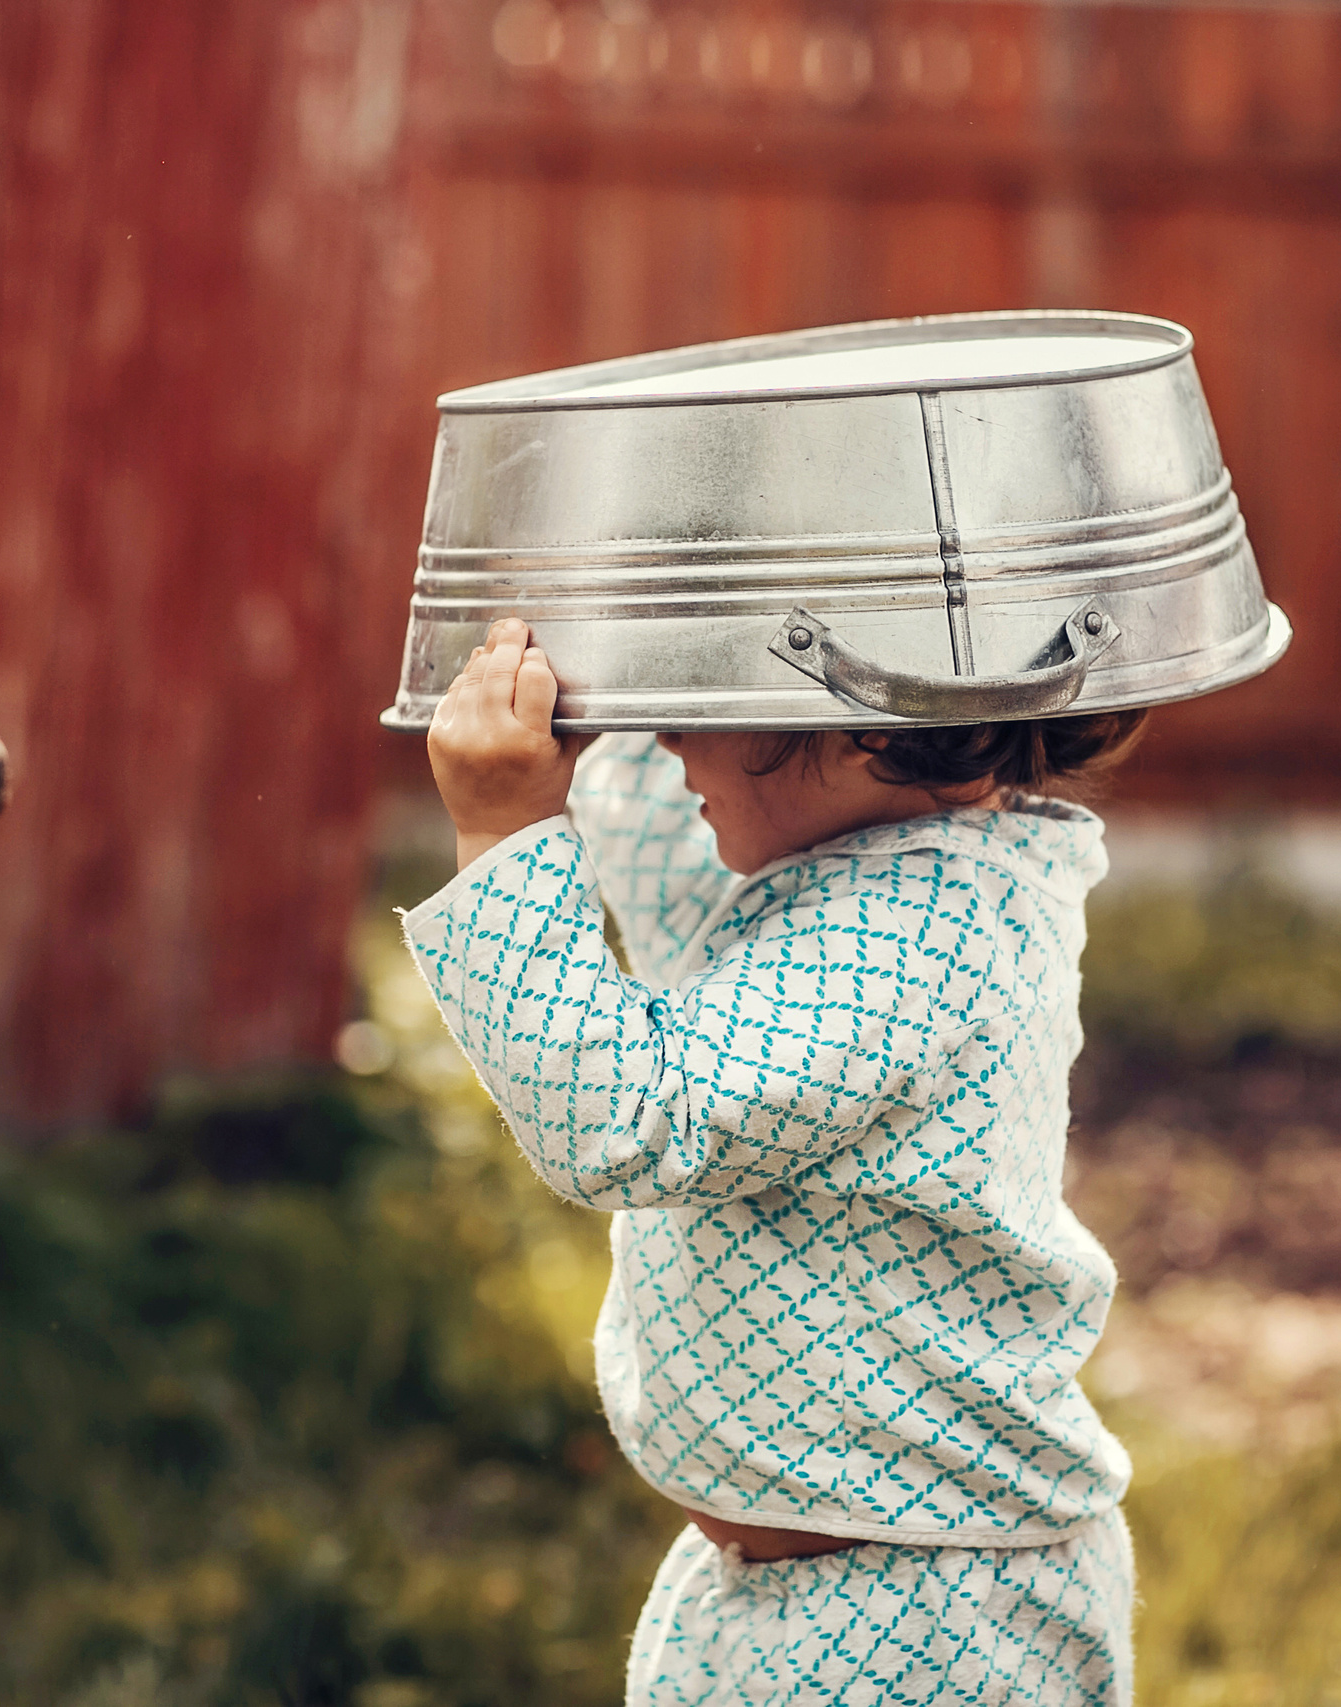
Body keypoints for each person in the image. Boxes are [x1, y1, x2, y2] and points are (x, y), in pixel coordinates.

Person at [405, 617, 1143, 1705]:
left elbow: (629, 1118)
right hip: (833, 1596)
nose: (666, 738)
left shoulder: (915, 927)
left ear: (858, 728)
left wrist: (504, 832)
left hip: (921, 1630)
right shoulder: (853, 869)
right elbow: (667, 892)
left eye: (711, 700)